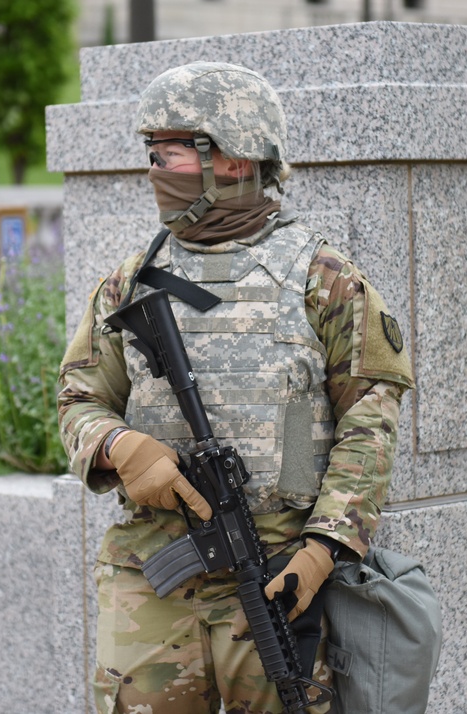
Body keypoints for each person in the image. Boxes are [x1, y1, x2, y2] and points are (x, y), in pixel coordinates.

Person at [56, 62, 415, 714]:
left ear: (231, 158)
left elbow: (371, 419)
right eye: (152, 151)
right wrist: (118, 446)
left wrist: (323, 549)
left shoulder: (324, 278)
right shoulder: (131, 283)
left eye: (169, 151)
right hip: (151, 584)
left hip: (280, 580)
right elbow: (78, 398)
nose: (153, 169)